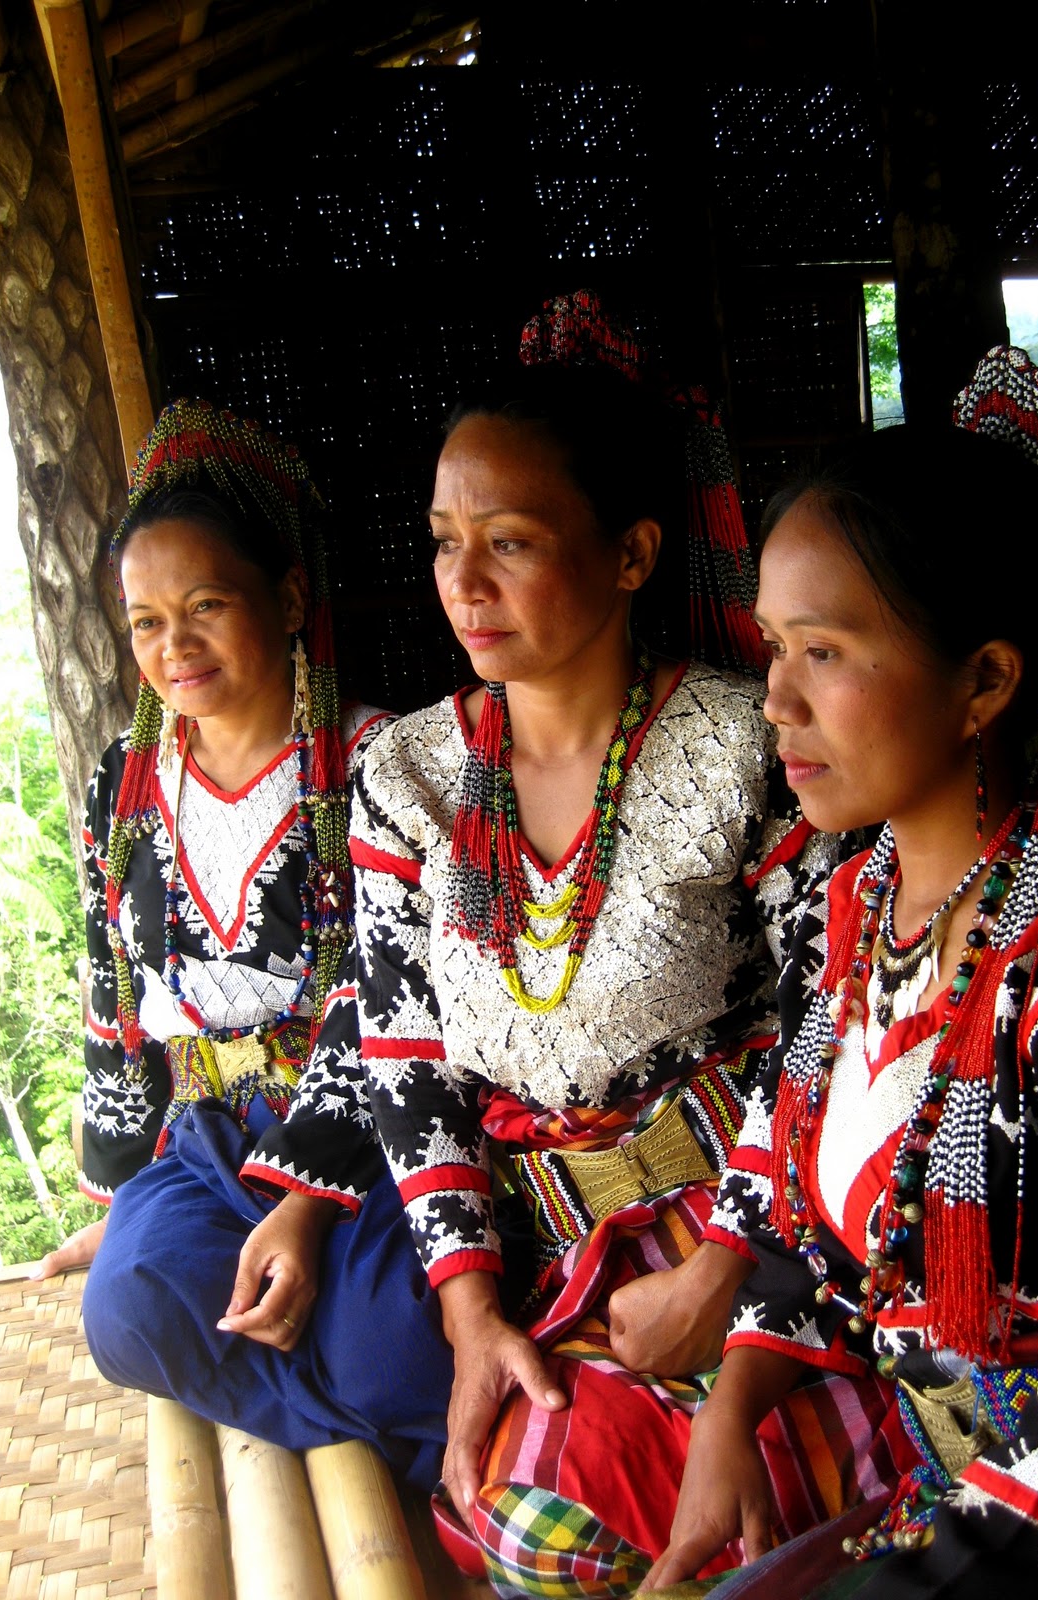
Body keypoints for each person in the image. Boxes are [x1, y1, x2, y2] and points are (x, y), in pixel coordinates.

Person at [346, 292, 895, 1596]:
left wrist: (728, 1269)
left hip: (751, 1220)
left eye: (512, 542)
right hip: (535, 1242)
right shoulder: (405, 776)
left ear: (633, 553)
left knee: (636, 1513)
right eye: (445, 542)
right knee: (516, 1509)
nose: (463, 582)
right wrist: (471, 1311)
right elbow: (406, 1058)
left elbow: (828, 1015)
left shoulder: (746, 749)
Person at [641, 348, 1038, 1597]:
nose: (774, 700)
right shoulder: (854, 905)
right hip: (928, 1478)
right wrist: (732, 1408)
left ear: (984, 679)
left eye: (823, 652)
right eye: (773, 646)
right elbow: (821, 1235)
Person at [37, 399, 453, 1488]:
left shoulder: (378, 762)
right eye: (145, 621)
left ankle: (353, 1393)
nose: (174, 646)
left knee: (399, 1345)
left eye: (207, 605)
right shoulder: (123, 785)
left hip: (360, 1137)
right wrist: (117, 1197)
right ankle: (363, 1414)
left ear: (291, 597)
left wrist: (307, 1205)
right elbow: (112, 989)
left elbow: (394, 992)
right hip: (204, 1136)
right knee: (126, 1312)